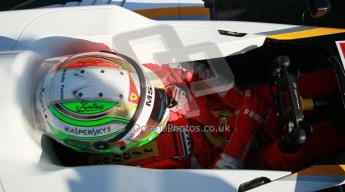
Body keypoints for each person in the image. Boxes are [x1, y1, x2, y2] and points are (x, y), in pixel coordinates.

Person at [34, 47, 345, 170]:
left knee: (317, 82)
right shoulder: (122, 175)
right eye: (152, 112)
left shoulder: (131, 76)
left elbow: (186, 69)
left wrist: (238, 99)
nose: (164, 101)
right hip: (248, 158)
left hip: (242, 103)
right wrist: (246, 128)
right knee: (301, 146)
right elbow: (216, 185)